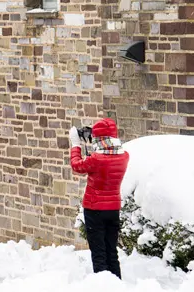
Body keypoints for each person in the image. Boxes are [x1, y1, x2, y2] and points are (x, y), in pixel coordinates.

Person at [70, 117, 130, 278]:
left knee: (99, 254)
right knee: (112, 252)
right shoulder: (124, 156)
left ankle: (103, 286)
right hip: (113, 209)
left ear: (99, 139)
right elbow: (105, 152)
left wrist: (76, 144)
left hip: (94, 209)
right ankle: (117, 286)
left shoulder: (96, 159)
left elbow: (77, 165)